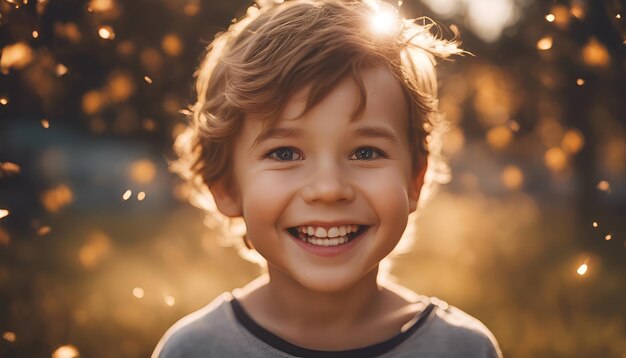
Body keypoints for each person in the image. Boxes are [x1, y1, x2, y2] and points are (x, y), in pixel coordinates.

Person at [153, 0, 502, 356]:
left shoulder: (462, 349)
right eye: (285, 154)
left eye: (365, 152)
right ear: (226, 187)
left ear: (415, 178)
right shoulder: (195, 349)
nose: (329, 189)